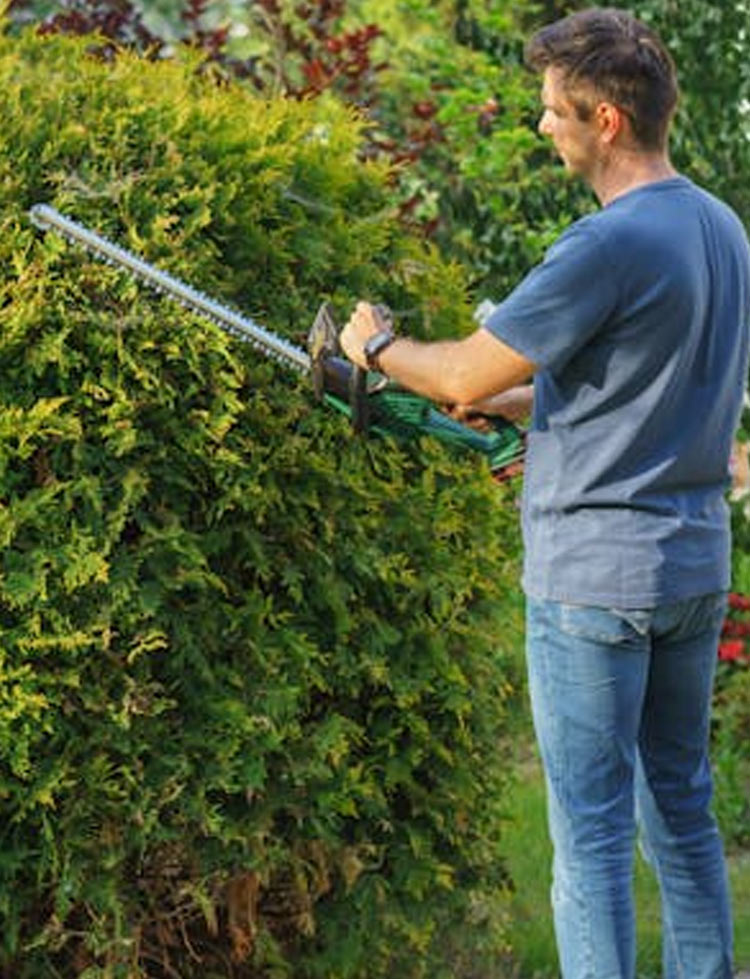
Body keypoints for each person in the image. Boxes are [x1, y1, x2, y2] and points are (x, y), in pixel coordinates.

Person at [339, 8, 750, 979]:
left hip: (595, 582)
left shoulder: (604, 245)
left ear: (605, 119)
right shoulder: (718, 227)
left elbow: (462, 377)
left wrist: (375, 350)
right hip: (690, 566)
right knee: (683, 811)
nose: (542, 127)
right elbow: (639, 381)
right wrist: (532, 403)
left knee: (595, 835)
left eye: (553, 111)